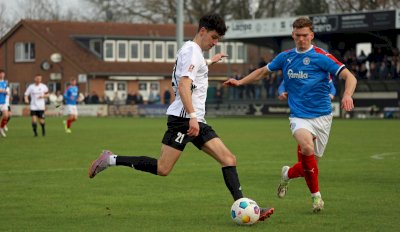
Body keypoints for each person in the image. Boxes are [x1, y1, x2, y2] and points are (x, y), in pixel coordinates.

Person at [88, 13, 274, 222]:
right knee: (163, 168)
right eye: (213, 37)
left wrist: (210, 62)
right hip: (184, 120)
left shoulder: (192, 51)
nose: (215, 42)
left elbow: (192, 70)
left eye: (218, 39)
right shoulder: (191, 51)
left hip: (194, 119)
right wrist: (193, 116)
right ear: (202, 31)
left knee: (228, 159)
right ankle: (110, 159)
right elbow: (184, 84)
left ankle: (244, 207)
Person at [224, 16, 357, 213]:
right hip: (299, 116)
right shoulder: (285, 57)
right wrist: (240, 81)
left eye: (305, 35)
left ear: (311, 35)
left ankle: (287, 174)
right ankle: (316, 197)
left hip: (322, 117)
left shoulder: (322, 57)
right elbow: (262, 71)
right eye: (297, 35)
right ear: (293, 35)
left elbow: (349, 77)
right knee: (306, 146)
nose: (301, 39)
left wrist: (347, 95)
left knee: (307, 168)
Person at [0, 69, 9, 137]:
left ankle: (1, 128)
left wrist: (6, 92)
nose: (2, 75)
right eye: (1, 73)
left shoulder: (5, 82)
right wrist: (3, 90)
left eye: (3, 73)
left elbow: (6, 91)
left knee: (6, 115)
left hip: (3, 101)